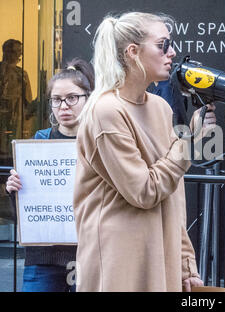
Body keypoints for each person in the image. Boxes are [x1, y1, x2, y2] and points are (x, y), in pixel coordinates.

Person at [73, 12, 214, 292]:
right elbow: (144, 191)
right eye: (163, 45)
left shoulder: (160, 107)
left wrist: (186, 264)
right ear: (133, 52)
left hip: (160, 254)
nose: (172, 52)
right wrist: (190, 144)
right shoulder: (106, 111)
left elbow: (174, 194)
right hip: (119, 260)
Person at [5, 58, 94, 292]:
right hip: (43, 258)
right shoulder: (40, 140)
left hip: (90, 255)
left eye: (72, 98)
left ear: (88, 98)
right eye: (56, 100)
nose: (63, 106)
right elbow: (25, 212)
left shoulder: (99, 143)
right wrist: (14, 189)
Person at [0, 39, 32, 162]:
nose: (19, 55)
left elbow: (27, 101)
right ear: (7, 52)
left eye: (20, 52)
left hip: (16, 117)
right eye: (16, 51)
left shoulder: (22, 74)